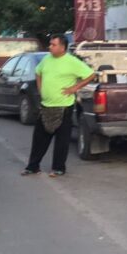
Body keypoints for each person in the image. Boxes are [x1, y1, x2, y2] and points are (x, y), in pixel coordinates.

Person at [22, 34, 95, 177]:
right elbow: (38, 72)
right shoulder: (46, 59)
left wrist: (75, 88)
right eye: (50, 44)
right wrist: (40, 88)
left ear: (62, 47)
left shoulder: (71, 61)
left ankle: (58, 168)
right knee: (39, 138)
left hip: (64, 106)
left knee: (62, 140)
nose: (50, 47)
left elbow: (90, 75)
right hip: (46, 105)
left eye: (53, 45)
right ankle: (33, 166)